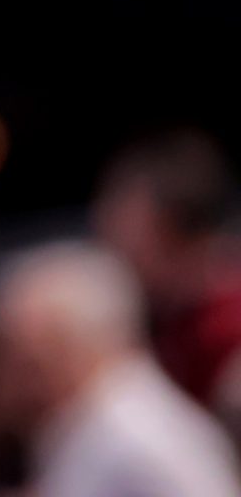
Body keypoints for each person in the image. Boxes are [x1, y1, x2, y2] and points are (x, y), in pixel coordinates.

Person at [0, 240, 241, 497]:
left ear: (75, 343)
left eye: (31, 361)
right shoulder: (94, 420)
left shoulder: (138, 433)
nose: (12, 383)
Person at [95, 129, 241, 439]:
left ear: (171, 223)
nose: (106, 229)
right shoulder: (162, 315)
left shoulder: (231, 332)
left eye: (123, 215)